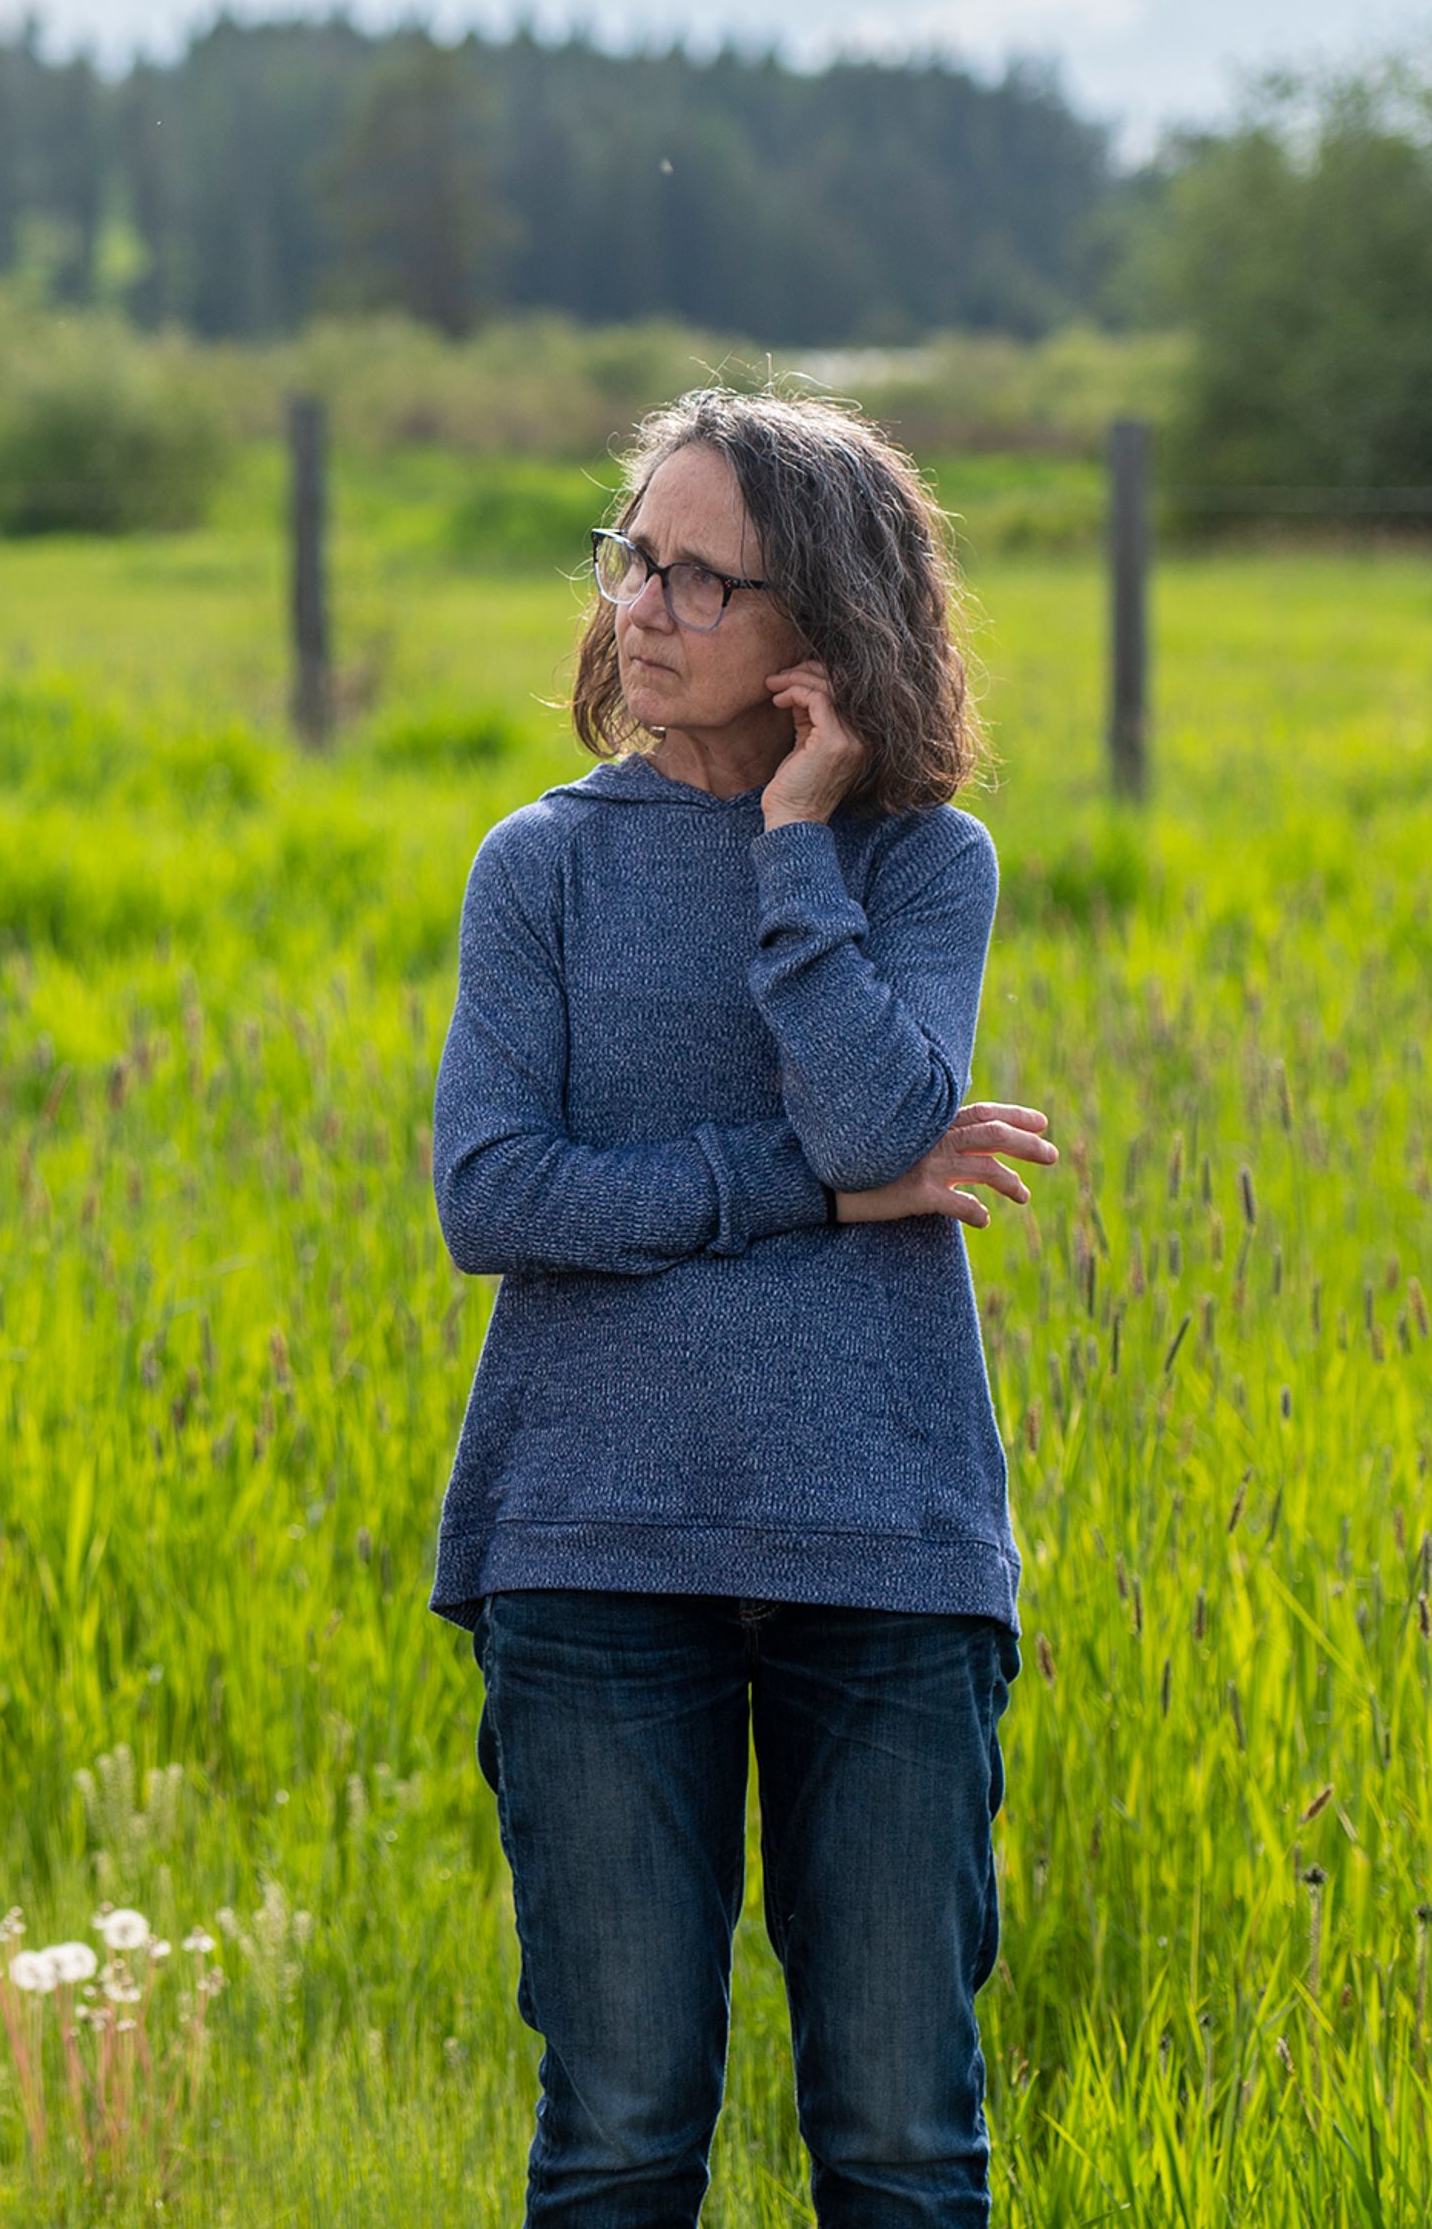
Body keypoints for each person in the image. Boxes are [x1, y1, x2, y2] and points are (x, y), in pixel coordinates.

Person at [427, 388, 1058, 2226]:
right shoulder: (539, 863)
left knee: (901, 2142)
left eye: (707, 580)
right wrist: (816, 1198)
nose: (645, 607)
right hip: (593, 1547)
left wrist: (797, 841)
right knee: (622, 2137)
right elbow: (493, 1196)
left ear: (827, 631)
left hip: (887, 1550)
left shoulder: (919, 864)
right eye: (638, 556)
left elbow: (881, 1112)